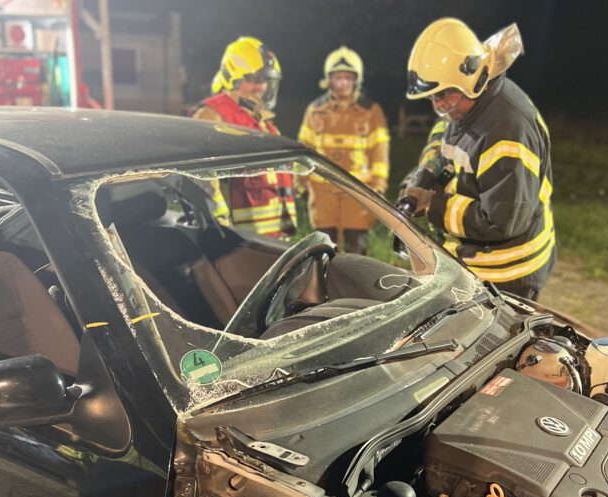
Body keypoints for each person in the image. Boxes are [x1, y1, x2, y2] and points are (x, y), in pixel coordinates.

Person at [401, 18, 554, 300]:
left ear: (471, 79)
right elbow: (445, 132)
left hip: (505, 274)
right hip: (471, 260)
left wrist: (433, 204)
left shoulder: (507, 132)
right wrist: (426, 169)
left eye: (444, 95)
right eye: (432, 97)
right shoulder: (469, 102)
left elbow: (501, 221)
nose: (439, 106)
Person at [192, 37, 296, 238]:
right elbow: (200, 174)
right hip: (240, 240)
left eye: (264, 80)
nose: (260, 87)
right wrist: (219, 224)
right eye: (253, 79)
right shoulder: (215, 114)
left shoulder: (262, 120)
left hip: (274, 237)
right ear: (234, 78)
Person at [298, 46, 389, 254]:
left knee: (357, 256)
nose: (343, 84)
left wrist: (379, 187)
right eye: (338, 78)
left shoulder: (371, 111)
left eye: (348, 78)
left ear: (356, 80)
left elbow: (379, 153)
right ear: (329, 80)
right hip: (322, 196)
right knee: (323, 254)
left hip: (357, 195)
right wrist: (301, 184)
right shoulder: (315, 110)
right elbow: (303, 149)